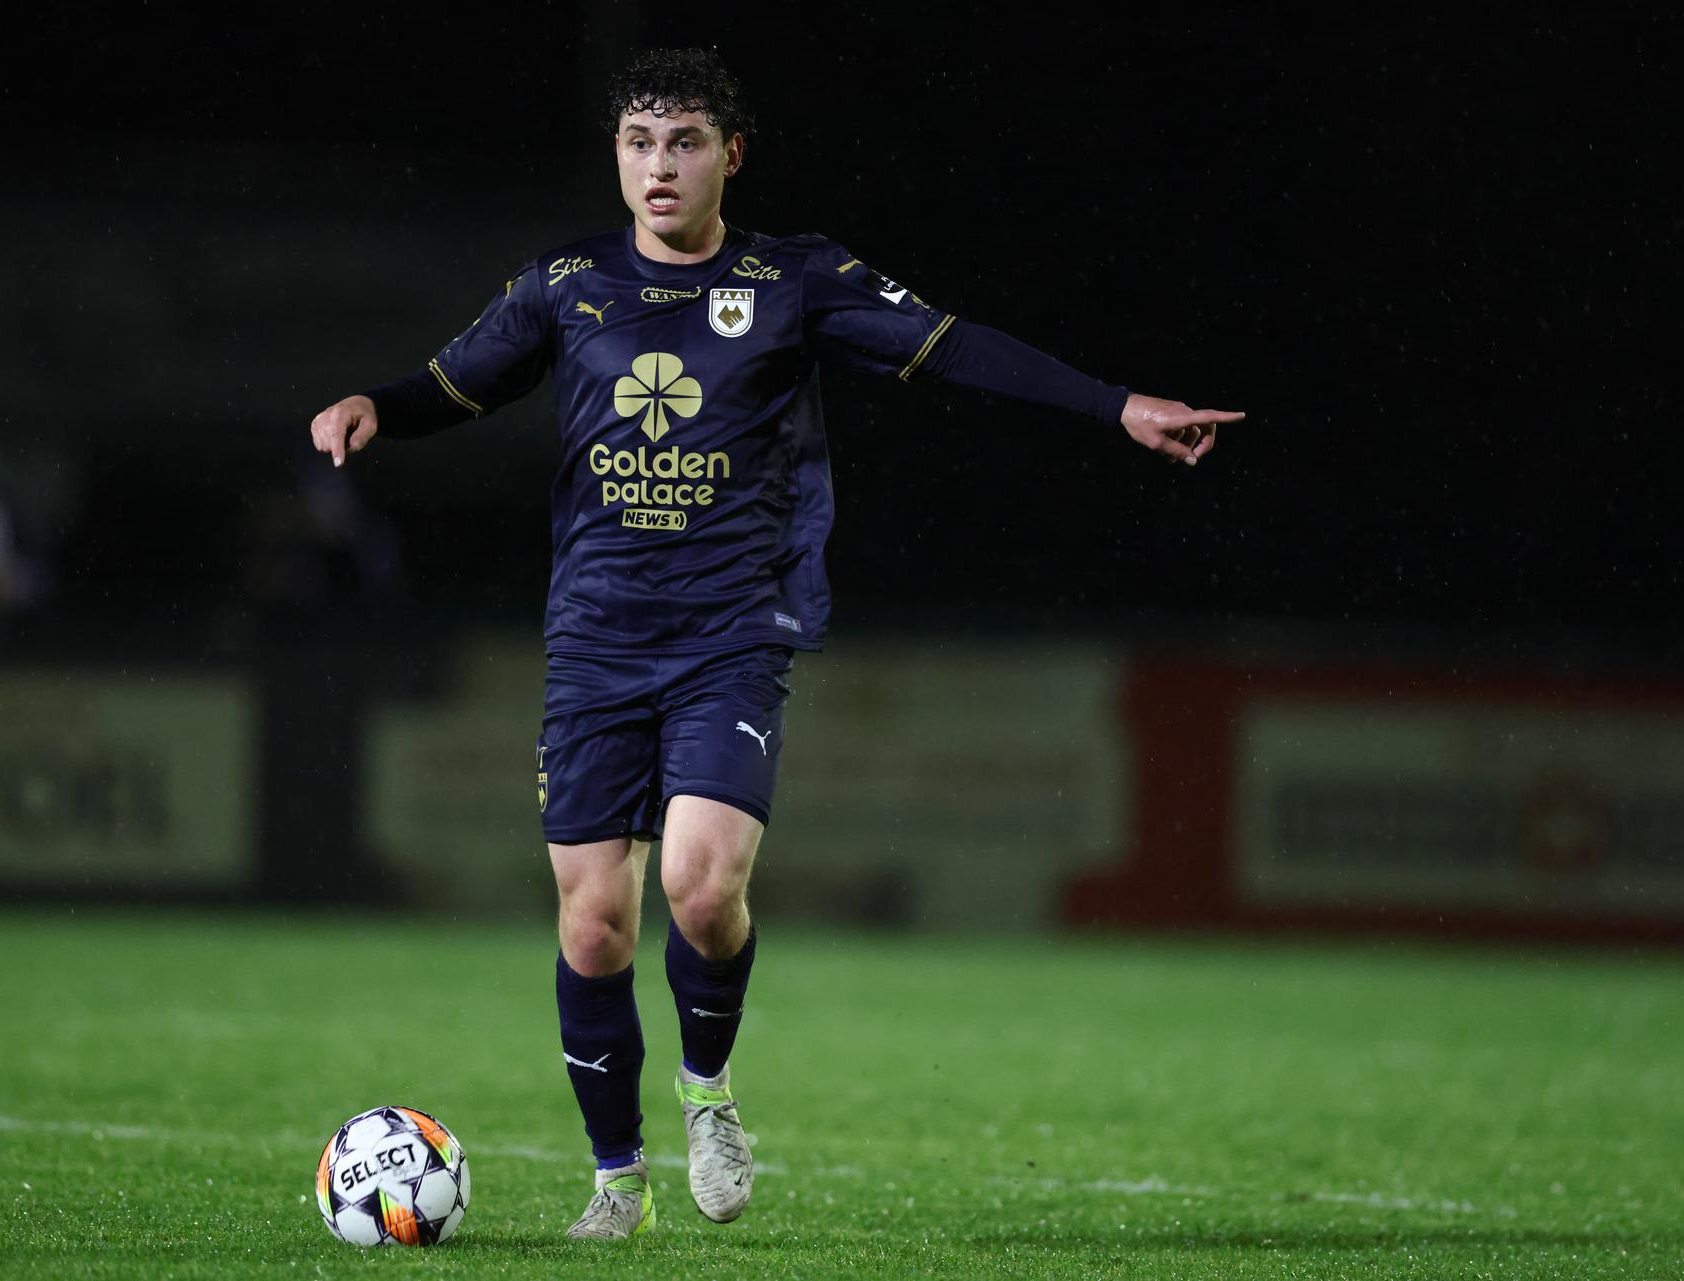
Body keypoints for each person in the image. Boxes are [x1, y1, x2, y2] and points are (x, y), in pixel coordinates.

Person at [309, 47, 1243, 1240]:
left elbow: (952, 343)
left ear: (729, 156)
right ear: (617, 156)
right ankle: (616, 1183)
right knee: (594, 918)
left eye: (685, 141)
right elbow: (460, 381)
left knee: (701, 889)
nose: (659, 166)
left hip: (732, 629)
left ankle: (708, 1094)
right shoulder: (565, 285)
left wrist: (1115, 404)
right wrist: (378, 405)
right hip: (596, 636)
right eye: (639, 142)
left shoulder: (795, 279)